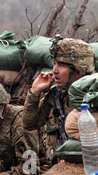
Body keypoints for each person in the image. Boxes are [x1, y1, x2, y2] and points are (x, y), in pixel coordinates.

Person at [23, 36, 95, 165]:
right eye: (54, 63)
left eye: (61, 65)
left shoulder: (93, 97)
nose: (54, 70)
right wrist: (35, 92)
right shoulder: (57, 93)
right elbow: (30, 123)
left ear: (78, 69)